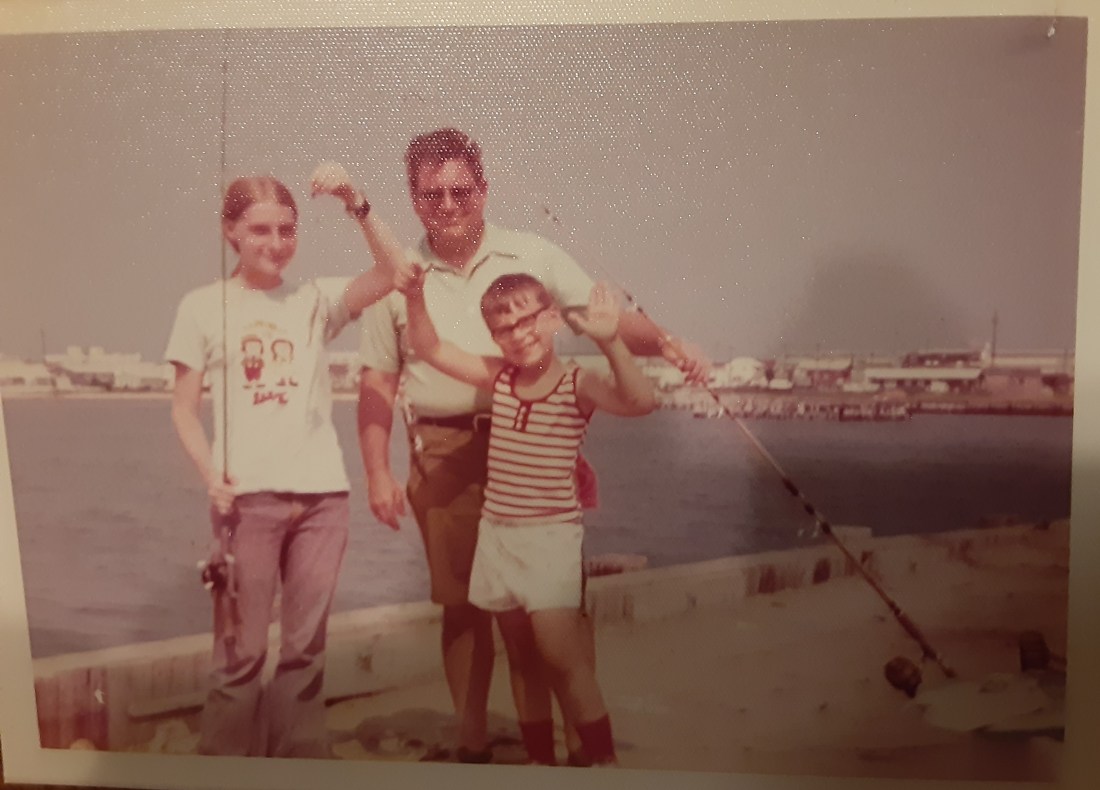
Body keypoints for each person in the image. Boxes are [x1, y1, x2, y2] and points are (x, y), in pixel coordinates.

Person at [356, 127, 710, 762]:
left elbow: (604, 317)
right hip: (443, 452)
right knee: (464, 608)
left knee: (556, 610)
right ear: (413, 199)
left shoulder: (533, 253)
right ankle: (472, 745)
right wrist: (377, 471)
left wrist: (669, 341)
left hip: (537, 444)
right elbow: (380, 379)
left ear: (484, 190)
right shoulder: (396, 278)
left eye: (461, 189)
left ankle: (584, 748)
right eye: (432, 194)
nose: (448, 204)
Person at [165, 167, 406, 758]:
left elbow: (396, 272)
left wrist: (357, 200)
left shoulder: (315, 300)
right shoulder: (201, 307)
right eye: (260, 230)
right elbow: (183, 411)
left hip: (324, 499)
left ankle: (297, 765)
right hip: (247, 503)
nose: (276, 243)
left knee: (304, 653)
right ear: (231, 233)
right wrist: (210, 475)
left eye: (287, 230)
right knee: (239, 656)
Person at [401, 268, 655, 766]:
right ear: (494, 336)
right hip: (498, 537)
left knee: (562, 655)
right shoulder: (500, 378)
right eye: (504, 328)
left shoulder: (578, 384)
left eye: (528, 320)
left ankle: (602, 764)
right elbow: (430, 348)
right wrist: (413, 296)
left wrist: (611, 343)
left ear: (553, 317)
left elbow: (641, 401)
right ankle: (542, 762)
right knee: (520, 659)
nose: (518, 335)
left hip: (550, 538)